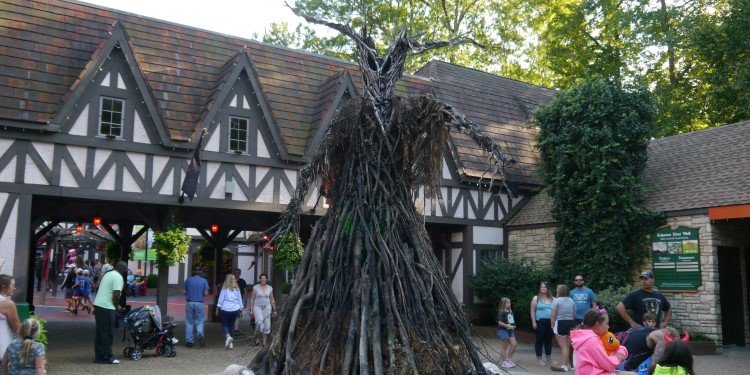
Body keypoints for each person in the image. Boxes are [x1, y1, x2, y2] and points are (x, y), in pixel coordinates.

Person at [570, 309, 636, 375]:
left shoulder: (581, 337)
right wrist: (619, 355)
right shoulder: (592, 340)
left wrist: (620, 350)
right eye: (607, 323)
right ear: (597, 324)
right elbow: (609, 365)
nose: (608, 327)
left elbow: (611, 347)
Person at [92, 261, 126, 364]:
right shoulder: (118, 277)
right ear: (120, 268)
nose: (126, 270)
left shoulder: (108, 274)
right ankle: (107, 357)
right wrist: (117, 307)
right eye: (125, 268)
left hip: (98, 304)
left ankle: (99, 357)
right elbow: (116, 294)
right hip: (107, 307)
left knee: (100, 332)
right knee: (107, 333)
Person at [550, 284, 576, 372]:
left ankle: (564, 366)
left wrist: (552, 325)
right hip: (571, 323)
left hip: (560, 322)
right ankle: (570, 365)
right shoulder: (571, 300)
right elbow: (574, 314)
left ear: (559, 291)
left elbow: (553, 315)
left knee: (563, 346)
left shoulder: (556, 301)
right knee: (568, 346)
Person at [531, 281, 555, 366]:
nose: (543, 288)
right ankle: (539, 359)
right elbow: (532, 311)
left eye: (545, 287)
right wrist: (534, 322)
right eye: (542, 287)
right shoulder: (536, 298)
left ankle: (549, 358)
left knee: (549, 341)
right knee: (539, 340)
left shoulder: (553, 299)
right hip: (540, 322)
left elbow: (555, 311)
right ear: (540, 289)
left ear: (547, 288)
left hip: (551, 323)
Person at [183, 269, 209, 348]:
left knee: (189, 322)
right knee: (200, 321)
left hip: (190, 302)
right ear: (200, 274)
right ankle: (200, 333)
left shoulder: (188, 280)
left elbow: (183, 292)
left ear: (193, 274)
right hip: (199, 302)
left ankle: (189, 341)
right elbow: (206, 293)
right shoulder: (204, 280)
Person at [216, 274, 243, 349]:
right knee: (232, 325)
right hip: (235, 308)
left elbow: (221, 299)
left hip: (225, 308)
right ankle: (231, 343)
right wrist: (241, 309)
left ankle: (228, 337)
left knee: (224, 325)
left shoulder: (225, 288)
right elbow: (240, 299)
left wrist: (218, 308)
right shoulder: (237, 288)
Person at [249, 273, 276, 345]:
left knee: (267, 324)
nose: (263, 279)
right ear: (260, 279)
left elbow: (272, 299)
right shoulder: (256, 287)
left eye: (264, 278)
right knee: (259, 322)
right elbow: (252, 299)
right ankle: (257, 337)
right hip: (257, 307)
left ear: (266, 279)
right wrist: (251, 309)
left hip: (267, 307)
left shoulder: (270, 288)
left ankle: (264, 342)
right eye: (261, 278)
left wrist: (274, 309)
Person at [0, 275, 21, 363]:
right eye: (13, 285)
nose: (14, 288)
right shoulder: (8, 304)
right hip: (2, 351)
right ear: (4, 286)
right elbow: (18, 329)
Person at [497, 297, 517, 369]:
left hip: (510, 330)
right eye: (508, 303)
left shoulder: (510, 311)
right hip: (502, 330)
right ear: (503, 304)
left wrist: (513, 325)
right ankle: (504, 362)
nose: (509, 304)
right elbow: (500, 322)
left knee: (514, 344)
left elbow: (511, 320)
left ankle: (509, 360)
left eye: (510, 302)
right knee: (504, 346)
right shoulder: (501, 312)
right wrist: (507, 326)